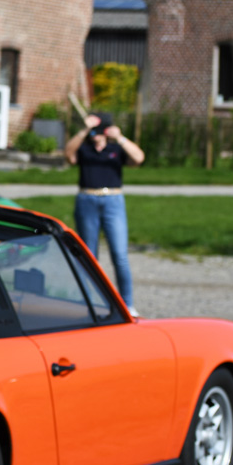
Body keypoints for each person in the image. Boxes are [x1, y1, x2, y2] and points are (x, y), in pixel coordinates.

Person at [64, 112, 145, 316]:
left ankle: (127, 304)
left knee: (119, 255)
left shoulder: (116, 149)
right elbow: (68, 154)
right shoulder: (84, 148)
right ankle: (90, 303)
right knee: (89, 254)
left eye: (98, 131)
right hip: (87, 200)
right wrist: (83, 130)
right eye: (93, 131)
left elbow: (139, 158)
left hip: (113, 201)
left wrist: (120, 137)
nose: (95, 135)